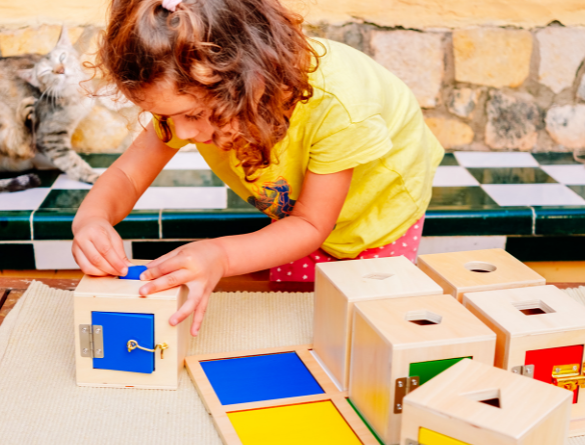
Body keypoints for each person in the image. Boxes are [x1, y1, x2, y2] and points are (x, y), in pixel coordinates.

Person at [71, 0, 444, 336]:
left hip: (378, 215)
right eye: (163, 115)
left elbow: (312, 225)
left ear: (252, 84)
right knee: (291, 320)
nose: (180, 131)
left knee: (367, 331)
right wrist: (91, 218)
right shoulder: (190, 96)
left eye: (195, 115)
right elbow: (127, 175)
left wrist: (219, 255)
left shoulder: (339, 108)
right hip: (300, 220)